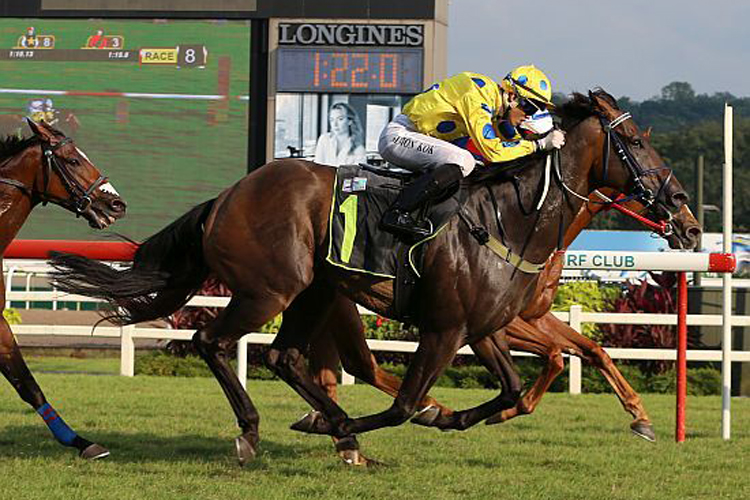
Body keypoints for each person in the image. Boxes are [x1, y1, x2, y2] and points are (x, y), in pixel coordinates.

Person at [378, 65, 566, 240]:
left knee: (473, 166)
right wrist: (539, 145)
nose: (529, 115)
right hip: (400, 135)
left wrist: (544, 139)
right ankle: (397, 212)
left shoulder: (493, 106)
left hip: (418, 139)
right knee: (464, 160)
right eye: (530, 107)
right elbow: (494, 150)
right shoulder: (479, 95)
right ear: (512, 96)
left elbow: (509, 139)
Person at [314, 102, 367, 167]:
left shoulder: (359, 149)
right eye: (332, 120)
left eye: (340, 119)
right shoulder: (324, 139)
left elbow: (359, 175)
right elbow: (317, 167)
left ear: (350, 121)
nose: (335, 124)